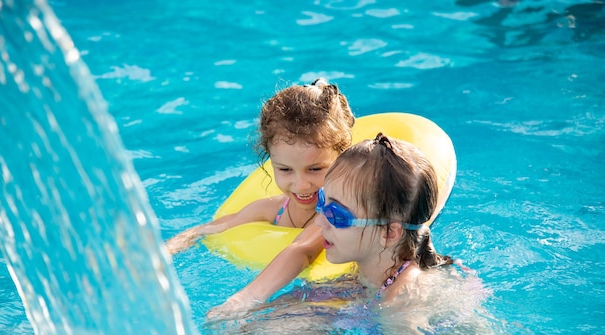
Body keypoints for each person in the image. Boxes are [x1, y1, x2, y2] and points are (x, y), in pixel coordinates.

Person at [166, 78, 355, 315]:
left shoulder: (337, 215)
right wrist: (169, 248)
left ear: (342, 159)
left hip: (346, 294)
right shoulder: (273, 210)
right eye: (285, 170)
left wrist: (242, 300)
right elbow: (210, 228)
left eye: (315, 169)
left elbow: (303, 249)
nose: (301, 184)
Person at [314, 133, 453, 303]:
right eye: (321, 199)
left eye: (335, 214)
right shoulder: (375, 272)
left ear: (389, 233)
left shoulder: (405, 298)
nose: (319, 221)